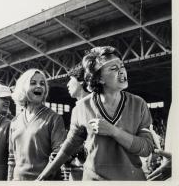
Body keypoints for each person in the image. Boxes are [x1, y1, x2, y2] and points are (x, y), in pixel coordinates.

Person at [37, 46, 154, 180]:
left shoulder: (139, 104)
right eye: (114, 68)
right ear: (99, 79)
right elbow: (69, 146)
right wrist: (45, 173)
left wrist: (113, 131)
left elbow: (146, 149)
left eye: (122, 66)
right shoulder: (81, 108)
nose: (122, 71)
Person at [8, 68, 67, 180]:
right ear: (23, 88)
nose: (39, 86)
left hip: (44, 180)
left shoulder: (54, 118)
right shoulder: (15, 121)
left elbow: (58, 154)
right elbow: (11, 159)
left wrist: (42, 178)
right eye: (33, 83)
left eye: (42, 83)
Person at [65, 66, 89, 180]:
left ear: (81, 81)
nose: (67, 84)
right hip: (78, 168)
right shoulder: (78, 107)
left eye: (71, 79)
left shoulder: (91, 106)